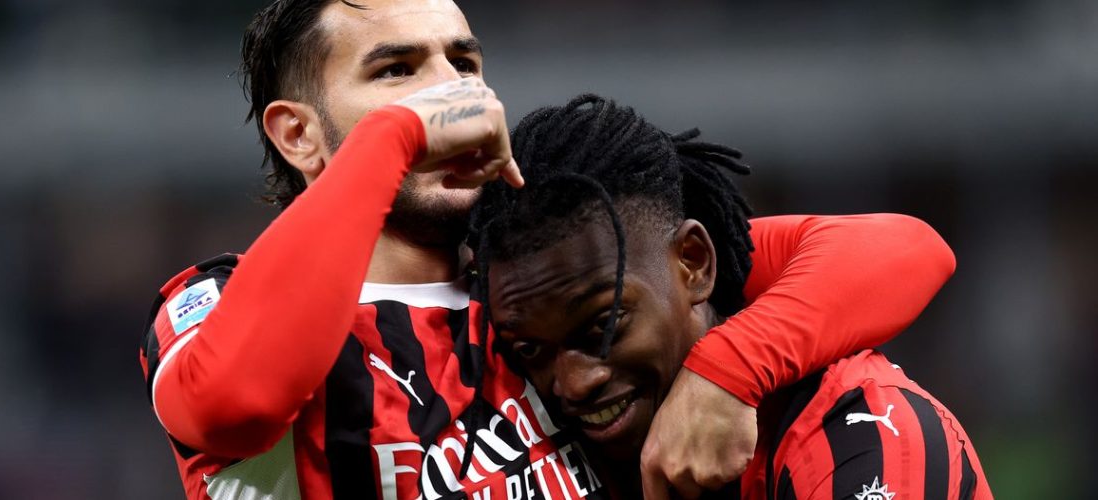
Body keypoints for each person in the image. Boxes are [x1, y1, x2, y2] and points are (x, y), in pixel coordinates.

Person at [138, 1, 958, 498]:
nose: (448, 90)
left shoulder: (528, 282)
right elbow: (234, 402)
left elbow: (893, 252)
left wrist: (727, 372)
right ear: (299, 134)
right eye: (395, 70)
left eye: (463, 62)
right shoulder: (215, 301)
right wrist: (396, 139)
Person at [472, 94, 992, 499]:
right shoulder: (489, 359)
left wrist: (725, 373)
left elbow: (907, 247)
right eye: (532, 352)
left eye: (603, 327)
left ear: (695, 264)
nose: (574, 383)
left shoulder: (857, 435)